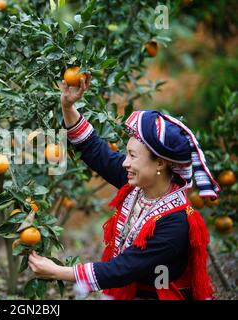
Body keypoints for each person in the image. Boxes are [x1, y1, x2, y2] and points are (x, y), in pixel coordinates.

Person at [28, 74, 219, 300]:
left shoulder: (175, 223)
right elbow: (94, 150)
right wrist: (68, 106)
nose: (125, 162)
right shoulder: (139, 185)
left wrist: (57, 271)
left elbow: (123, 268)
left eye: (132, 155)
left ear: (159, 162)